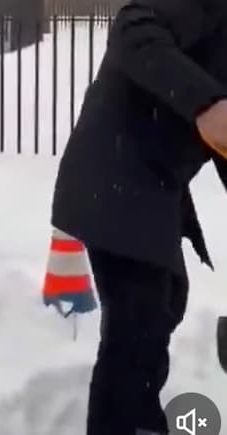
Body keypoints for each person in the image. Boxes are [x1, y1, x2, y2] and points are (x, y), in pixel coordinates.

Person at [50, 0, 227, 434]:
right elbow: (132, 27)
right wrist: (205, 103)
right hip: (114, 173)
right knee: (136, 327)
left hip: (148, 184)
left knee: (160, 306)